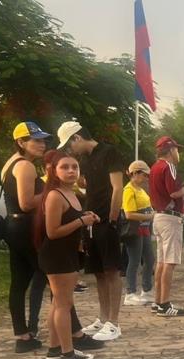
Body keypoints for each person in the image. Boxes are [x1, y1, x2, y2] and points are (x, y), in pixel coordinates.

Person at [56, 121, 126, 342]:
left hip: (107, 220)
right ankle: (103, 317)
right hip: (90, 221)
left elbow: (117, 188)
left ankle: (114, 322)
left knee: (112, 270)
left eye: (70, 145)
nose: (69, 151)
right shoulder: (84, 160)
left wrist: (113, 220)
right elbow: (88, 187)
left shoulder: (109, 152)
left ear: (77, 137)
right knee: (98, 271)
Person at [36, 152, 101, 359]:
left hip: (68, 253)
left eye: (75, 166)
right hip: (57, 254)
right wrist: (81, 222)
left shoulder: (70, 193)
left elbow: (71, 218)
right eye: (65, 167)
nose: (71, 170)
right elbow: (52, 231)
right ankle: (68, 352)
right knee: (63, 304)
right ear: (53, 171)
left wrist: (86, 216)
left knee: (59, 303)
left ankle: (55, 348)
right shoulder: (55, 195)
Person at [1, 122, 51, 352]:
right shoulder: (25, 166)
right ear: (21, 142)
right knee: (56, 277)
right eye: (36, 140)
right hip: (26, 228)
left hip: (14, 226)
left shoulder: (10, 163)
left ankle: (23, 337)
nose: (42, 144)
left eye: (43, 140)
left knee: (19, 283)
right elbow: (27, 202)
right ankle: (74, 334)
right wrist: (52, 192)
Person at [147, 136, 184, 316]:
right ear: (171, 150)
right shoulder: (168, 166)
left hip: (159, 216)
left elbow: (165, 191)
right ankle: (164, 304)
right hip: (170, 218)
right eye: (176, 150)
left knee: (162, 261)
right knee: (169, 262)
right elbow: (174, 193)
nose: (178, 153)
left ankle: (158, 301)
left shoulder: (154, 167)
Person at [120, 160, 156, 306]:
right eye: (144, 175)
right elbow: (129, 214)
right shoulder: (129, 190)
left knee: (149, 259)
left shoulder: (140, 190)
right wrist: (149, 216)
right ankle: (130, 293)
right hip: (134, 230)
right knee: (134, 261)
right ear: (135, 173)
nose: (147, 178)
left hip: (144, 229)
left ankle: (146, 290)